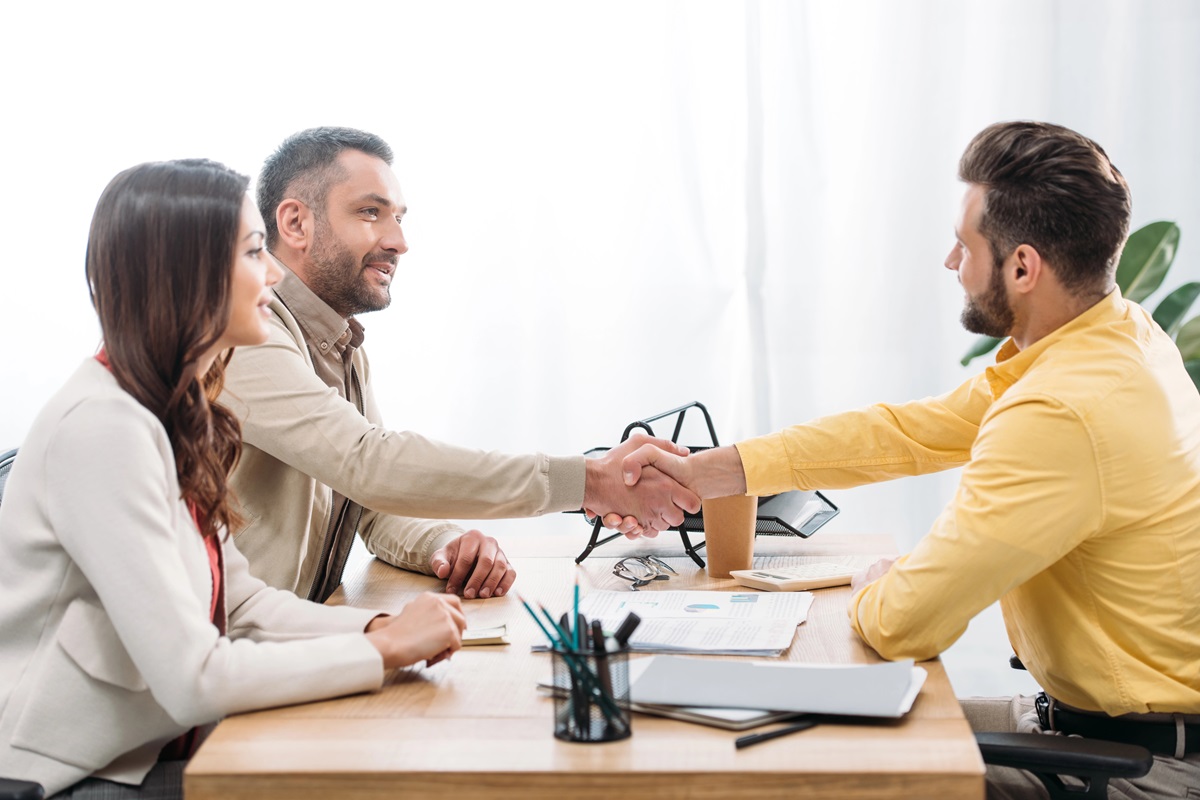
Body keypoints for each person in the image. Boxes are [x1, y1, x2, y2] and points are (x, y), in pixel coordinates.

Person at [618, 121, 1200, 798]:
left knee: (819, 771)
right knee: (801, 723)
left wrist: (876, 587)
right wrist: (713, 471)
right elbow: (907, 434)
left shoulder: (1063, 411)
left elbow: (903, 623)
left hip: (1137, 768)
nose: (951, 262)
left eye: (964, 244)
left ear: (1022, 266)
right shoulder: (1115, 340)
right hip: (1094, 728)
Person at [0, 159, 467, 799]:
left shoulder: (171, 409)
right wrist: (381, 654)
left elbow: (240, 604)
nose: (273, 273)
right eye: (254, 253)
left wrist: (373, 629)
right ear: (185, 275)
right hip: (74, 774)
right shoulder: (102, 428)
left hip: (155, 743)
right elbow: (197, 677)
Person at [221, 127, 698, 603]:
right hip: (243, 654)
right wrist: (591, 482)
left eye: (399, 218)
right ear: (295, 223)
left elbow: (366, 503)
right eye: (371, 212)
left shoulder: (341, 344)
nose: (398, 241)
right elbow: (368, 465)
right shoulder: (245, 338)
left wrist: (444, 545)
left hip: (288, 642)